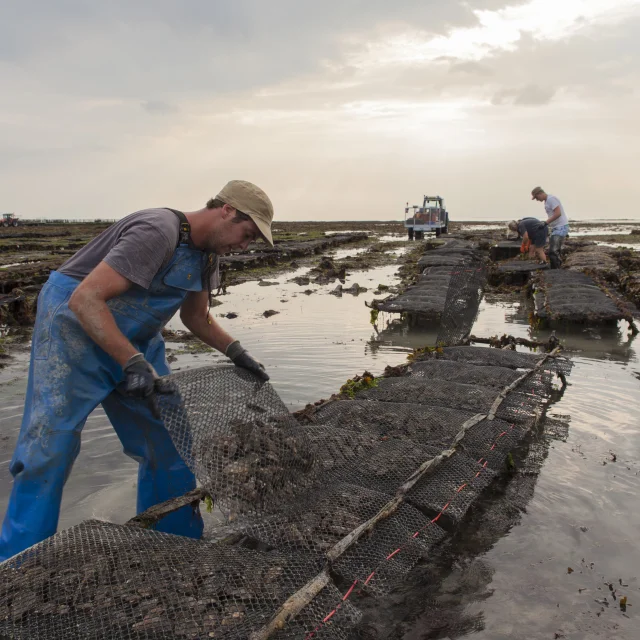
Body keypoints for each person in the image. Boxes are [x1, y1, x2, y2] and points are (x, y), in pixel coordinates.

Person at [0, 180, 274, 562]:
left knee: (171, 442)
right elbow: (86, 298)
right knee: (49, 449)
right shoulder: (156, 230)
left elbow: (196, 317)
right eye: (247, 234)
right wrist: (130, 361)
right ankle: (18, 563)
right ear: (227, 210)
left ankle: (175, 545)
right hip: (72, 335)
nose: (245, 246)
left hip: (137, 345)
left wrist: (236, 351)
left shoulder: (207, 256)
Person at [531, 186, 570, 269]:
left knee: (553, 251)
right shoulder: (547, 201)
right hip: (556, 228)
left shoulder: (551, 199)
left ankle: (556, 271)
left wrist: (546, 223)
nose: (537, 200)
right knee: (555, 251)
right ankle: (557, 269)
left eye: (536, 197)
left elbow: (558, 213)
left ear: (540, 193)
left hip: (561, 227)